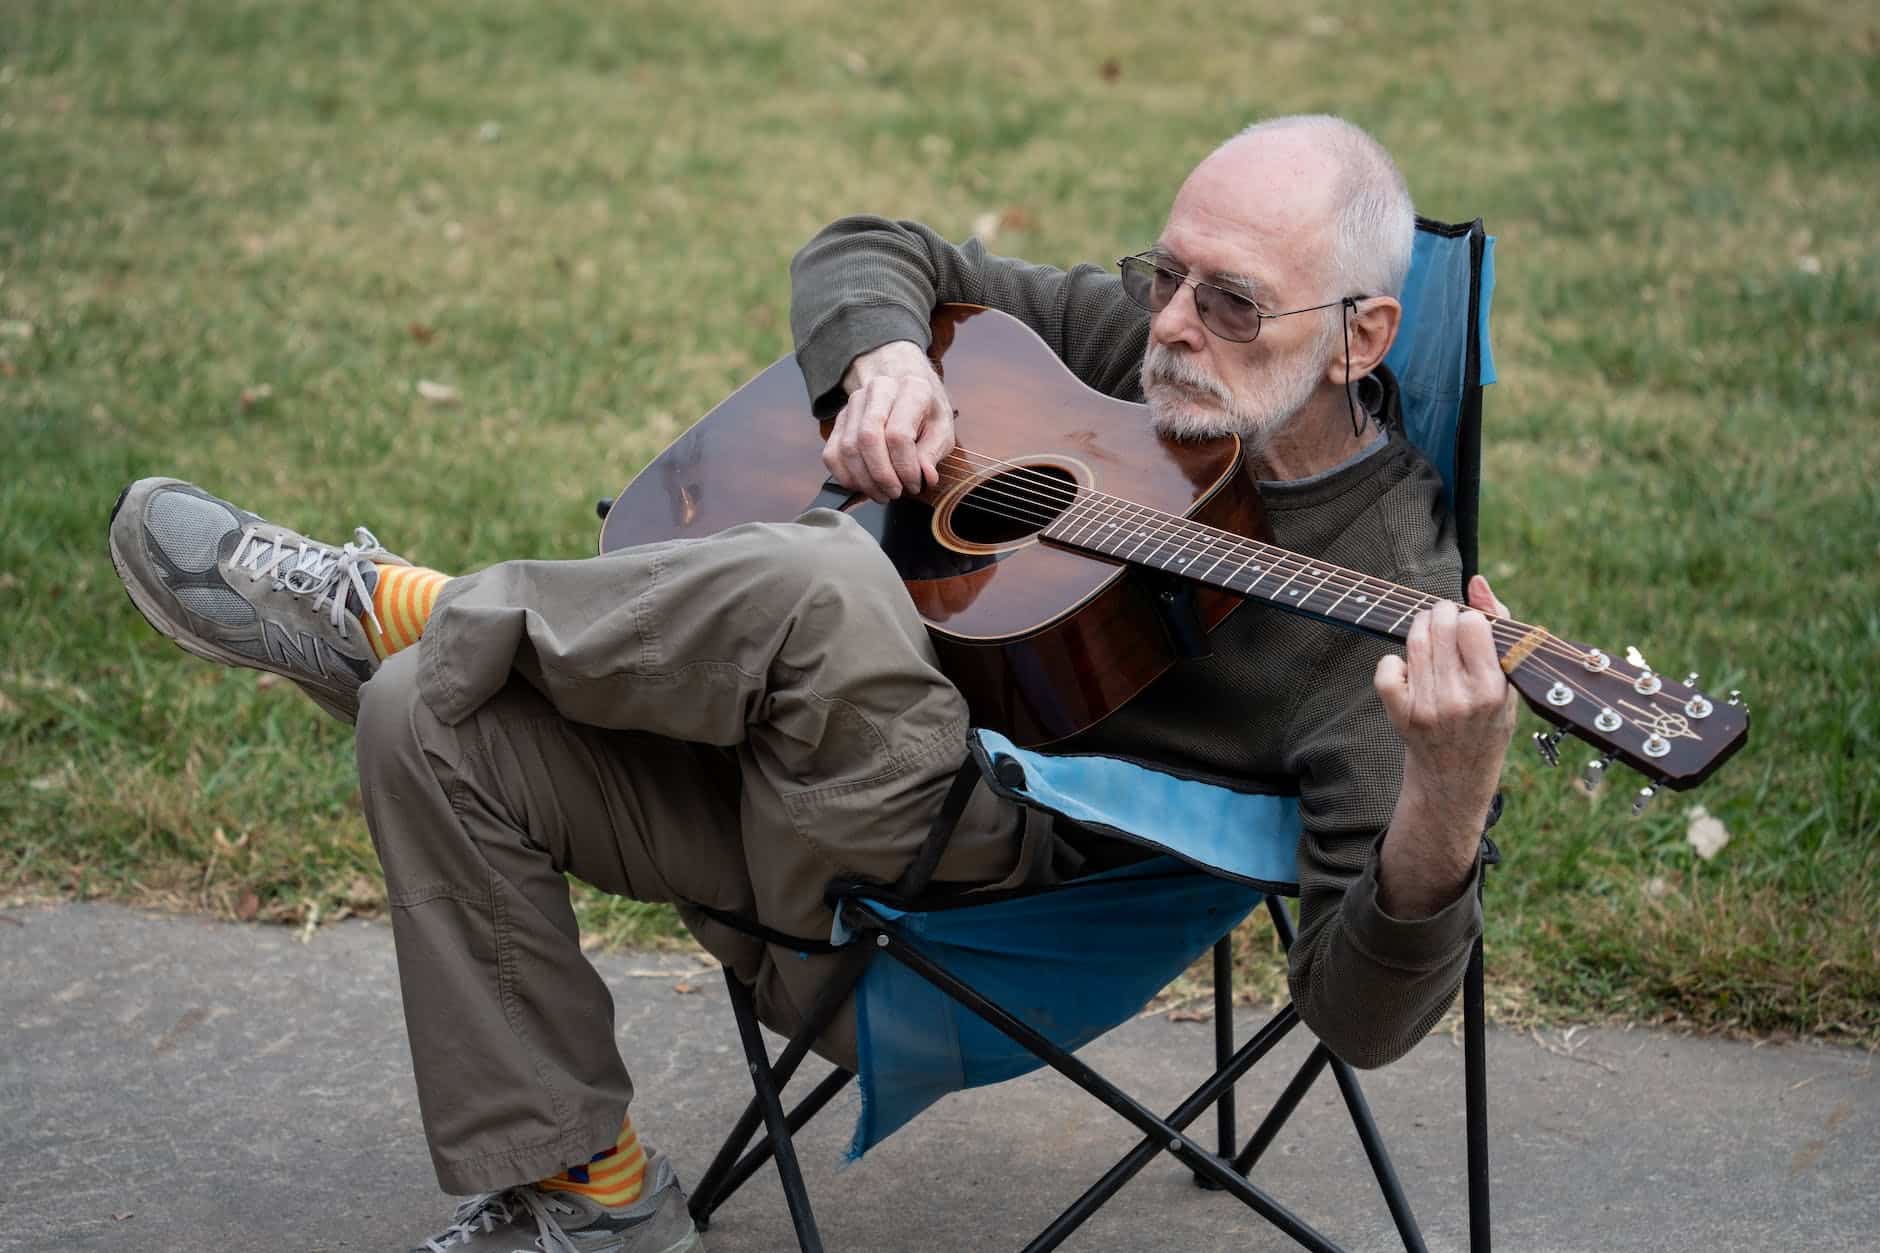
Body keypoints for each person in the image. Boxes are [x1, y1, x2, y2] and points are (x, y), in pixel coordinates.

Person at [108, 114, 1518, 1253]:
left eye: (1230, 302)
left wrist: (1446, 799)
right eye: (1164, 276)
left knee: (826, 581)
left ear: (1363, 338)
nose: (1171, 328)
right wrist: (886, 357)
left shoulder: (1383, 614)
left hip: (969, 898)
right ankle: (589, 1193)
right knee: (429, 720)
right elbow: (866, 245)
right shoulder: (1135, 348)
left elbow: (1363, 1017)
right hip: (783, 780)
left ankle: (404, 606)